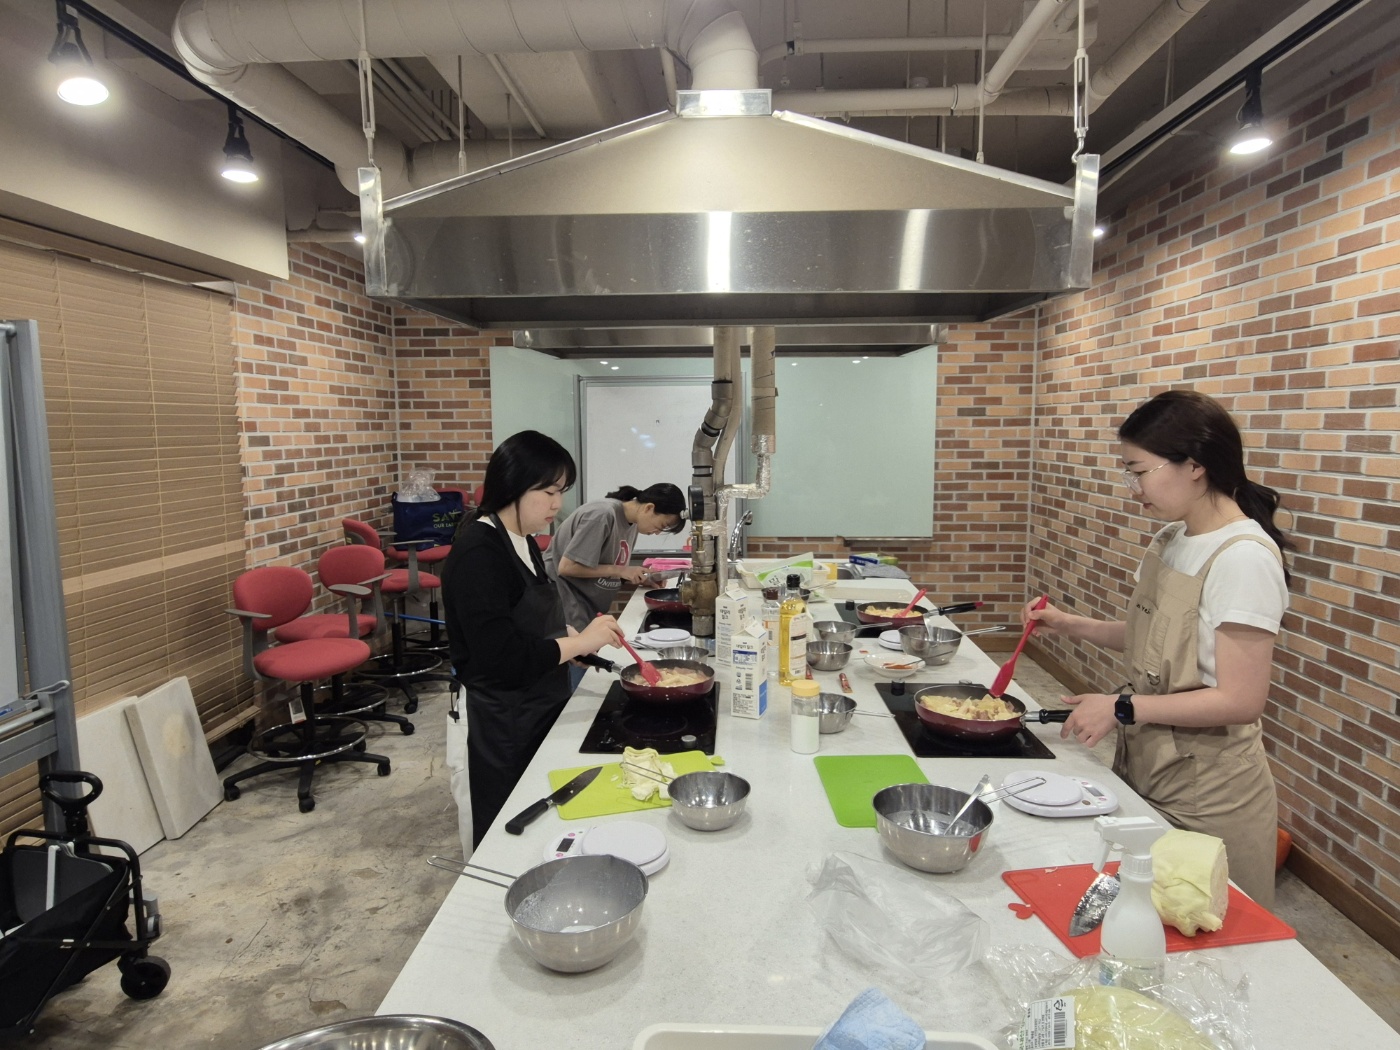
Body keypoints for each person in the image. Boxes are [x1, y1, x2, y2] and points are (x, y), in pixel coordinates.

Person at [1024, 390, 1291, 906]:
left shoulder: (1244, 559)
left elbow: (1240, 700)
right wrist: (1069, 625)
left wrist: (1122, 707)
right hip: (1149, 764)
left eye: (1139, 472)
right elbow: (1156, 637)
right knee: (1134, 913)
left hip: (1209, 791)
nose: (1133, 489)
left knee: (1201, 920)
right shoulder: (1172, 538)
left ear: (1195, 465)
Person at [441, 431, 622, 847]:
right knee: (501, 834)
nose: (558, 504)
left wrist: (571, 641)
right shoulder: (479, 552)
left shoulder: (522, 540)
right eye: (549, 491)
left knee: (541, 823)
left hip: (537, 703)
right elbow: (501, 657)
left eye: (562, 492)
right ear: (513, 486)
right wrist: (579, 643)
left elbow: (528, 622)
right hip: (497, 719)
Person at [547, 482, 687, 630]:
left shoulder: (633, 524)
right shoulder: (601, 515)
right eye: (661, 526)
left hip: (586, 606)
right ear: (649, 508)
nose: (657, 532)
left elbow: (607, 566)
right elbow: (567, 567)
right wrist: (622, 570)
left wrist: (639, 577)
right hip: (564, 603)